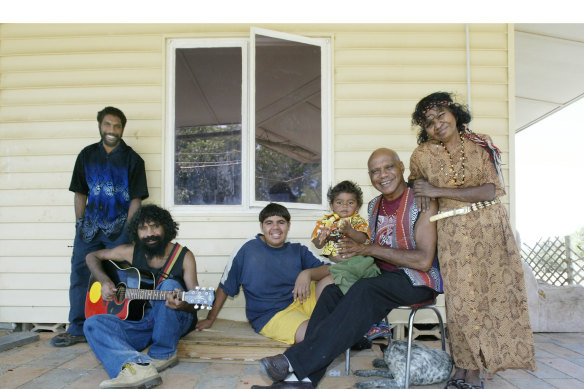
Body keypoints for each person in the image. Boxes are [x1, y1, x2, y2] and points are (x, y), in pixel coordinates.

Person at [253, 148, 443, 389]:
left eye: (389, 167)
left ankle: (293, 360)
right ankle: (299, 381)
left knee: (365, 289)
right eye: (375, 171)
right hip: (379, 277)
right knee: (333, 292)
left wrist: (368, 249)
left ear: (402, 167)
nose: (382, 175)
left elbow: (424, 260)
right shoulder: (375, 205)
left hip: (417, 280)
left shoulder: (422, 200)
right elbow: (364, 251)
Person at [408, 91, 536, 389]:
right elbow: (420, 191)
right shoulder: (422, 155)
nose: (437, 124)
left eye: (441, 116)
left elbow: (490, 191)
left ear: (455, 114)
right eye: (428, 122)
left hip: (490, 227)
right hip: (452, 233)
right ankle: (463, 365)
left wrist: (438, 191)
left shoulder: (481, 145)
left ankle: (477, 370)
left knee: (491, 297)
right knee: (461, 301)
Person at [51, 106, 149, 347]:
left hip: (119, 230)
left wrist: (129, 229)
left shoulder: (133, 160)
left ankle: (112, 326)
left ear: (122, 129)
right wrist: (79, 223)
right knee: (81, 274)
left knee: (118, 277)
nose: (112, 130)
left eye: (117, 126)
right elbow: (80, 193)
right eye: (108, 125)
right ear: (100, 126)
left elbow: (135, 200)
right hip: (89, 229)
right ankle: (77, 328)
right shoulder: (86, 155)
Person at [84, 204, 199, 389]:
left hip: (175, 319)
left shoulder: (183, 256)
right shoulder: (131, 251)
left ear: (166, 228)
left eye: (155, 226)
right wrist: (105, 281)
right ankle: (135, 366)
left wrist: (184, 304)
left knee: (168, 285)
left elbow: (196, 302)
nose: (149, 233)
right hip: (144, 323)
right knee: (92, 324)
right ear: (136, 232)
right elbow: (92, 256)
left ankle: (163, 353)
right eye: (143, 228)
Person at [195, 203, 332, 345]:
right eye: (269, 223)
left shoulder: (297, 248)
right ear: (261, 226)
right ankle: (325, 329)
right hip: (272, 314)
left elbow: (331, 269)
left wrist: (307, 273)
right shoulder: (246, 250)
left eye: (281, 222)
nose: (276, 228)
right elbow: (225, 286)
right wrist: (210, 319)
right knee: (313, 334)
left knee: (332, 278)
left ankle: (335, 324)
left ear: (288, 225)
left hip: (301, 300)